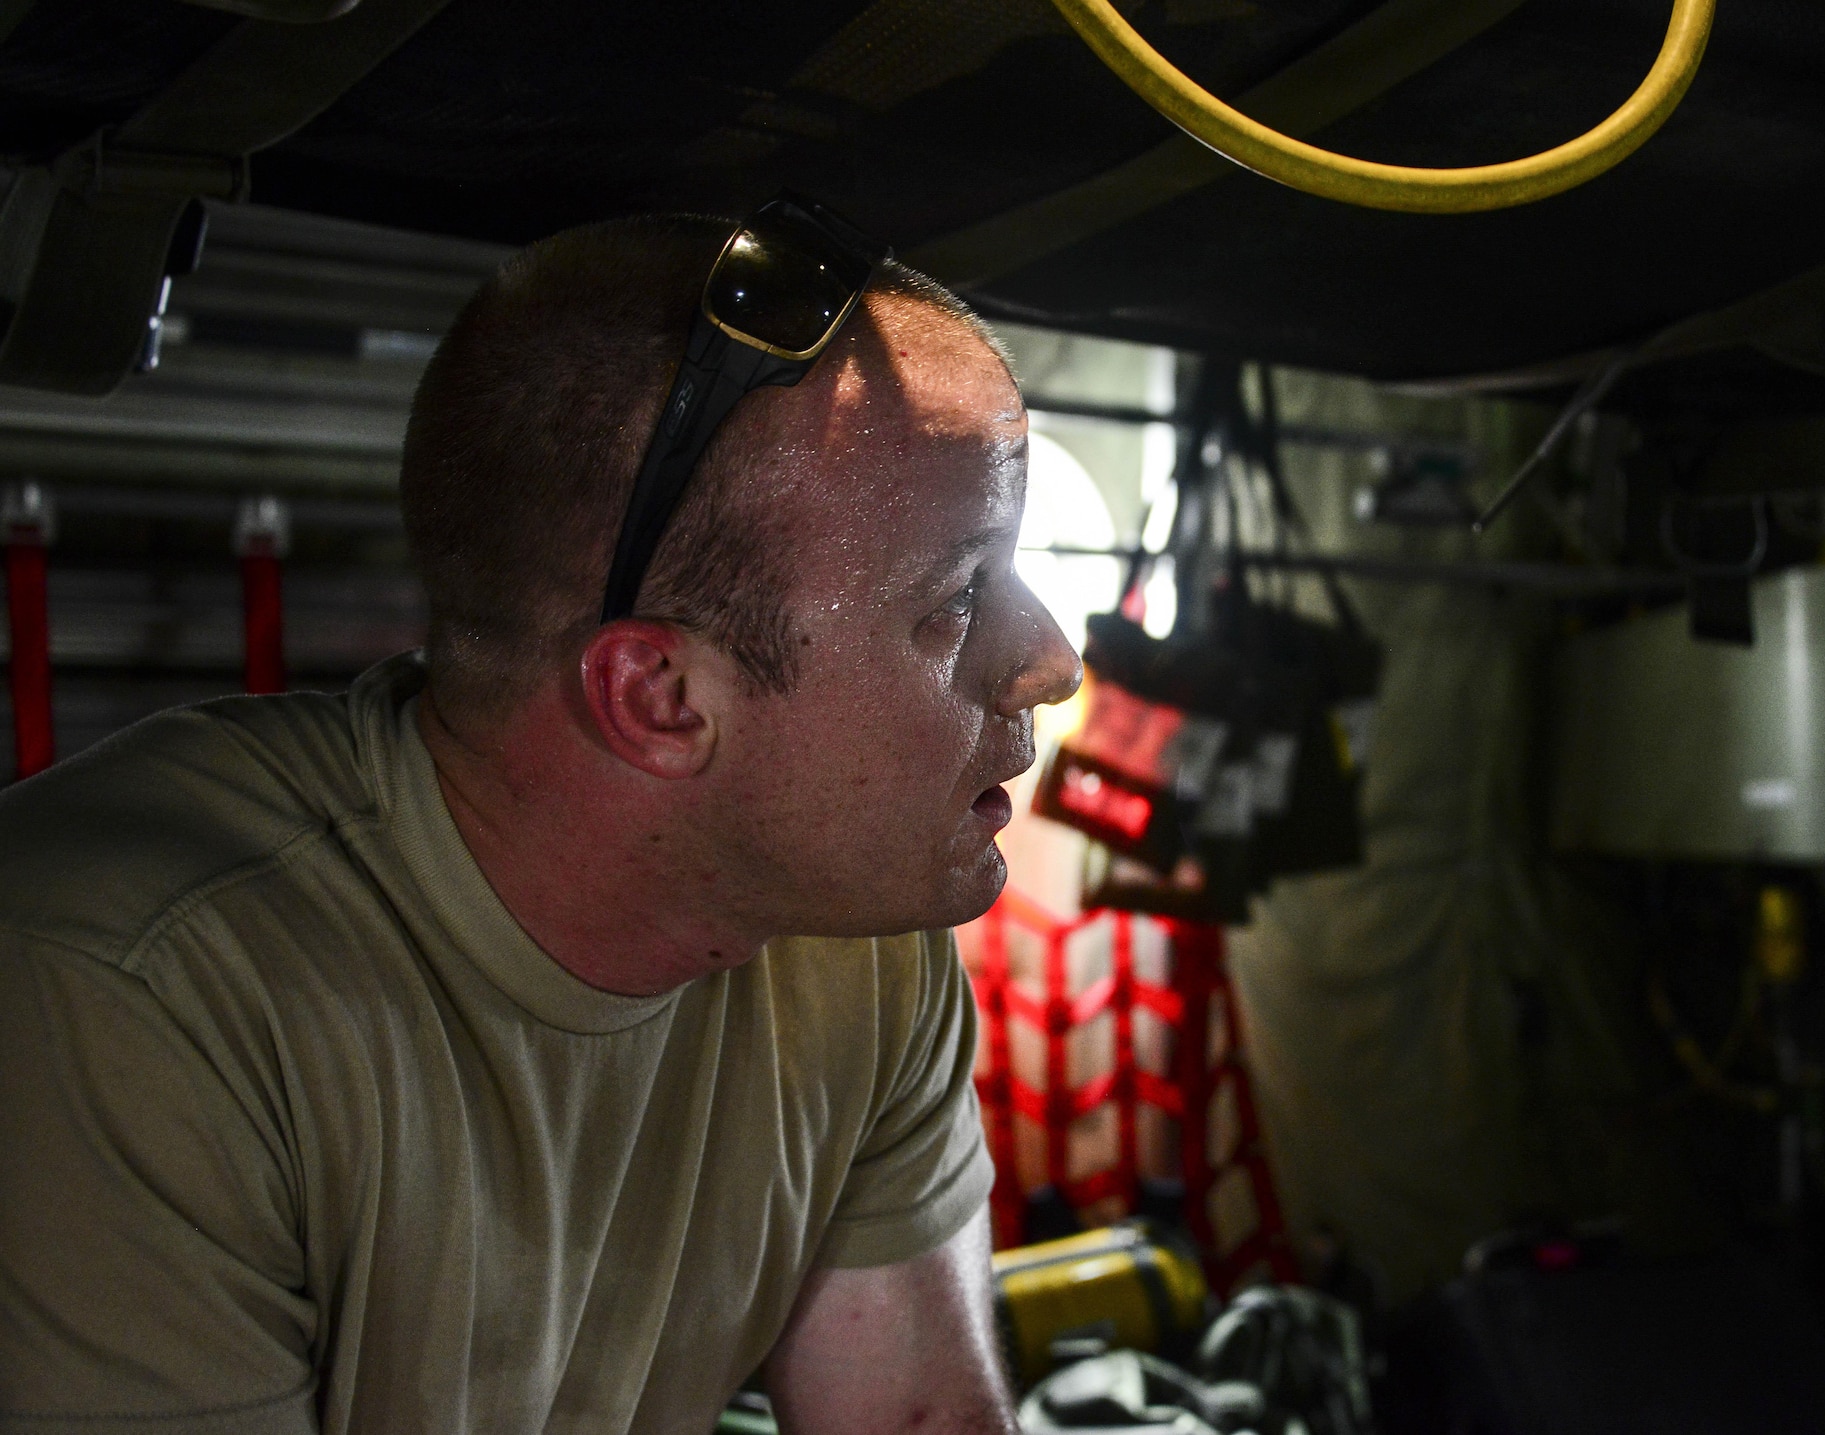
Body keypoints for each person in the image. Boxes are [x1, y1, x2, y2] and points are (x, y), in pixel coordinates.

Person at [0, 205, 1081, 1434]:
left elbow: (914, 1416)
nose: (1048, 658)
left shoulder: (856, 941)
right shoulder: (124, 993)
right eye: (954, 599)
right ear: (658, 699)